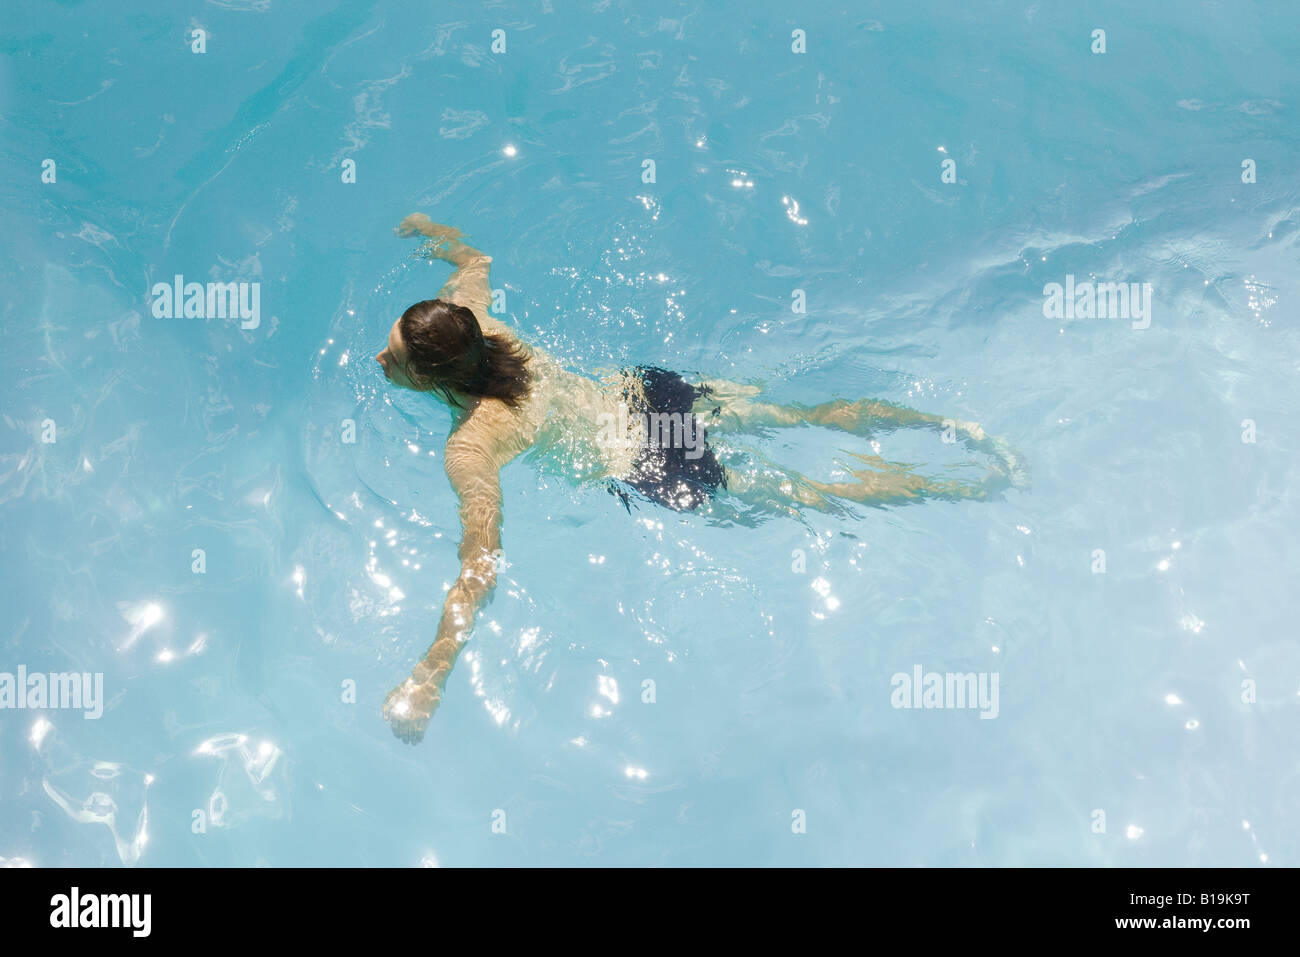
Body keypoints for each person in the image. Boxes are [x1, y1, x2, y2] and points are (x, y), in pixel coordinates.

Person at [377, 214, 1023, 743]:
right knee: (792, 416)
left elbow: (480, 560)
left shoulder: (473, 441)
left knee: (808, 497)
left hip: (650, 463)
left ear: (431, 380)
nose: (382, 359)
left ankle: (950, 484)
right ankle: (957, 432)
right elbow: (477, 262)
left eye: (397, 360)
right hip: (643, 392)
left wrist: (428, 676)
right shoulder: (480, 326)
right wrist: (430, 232)